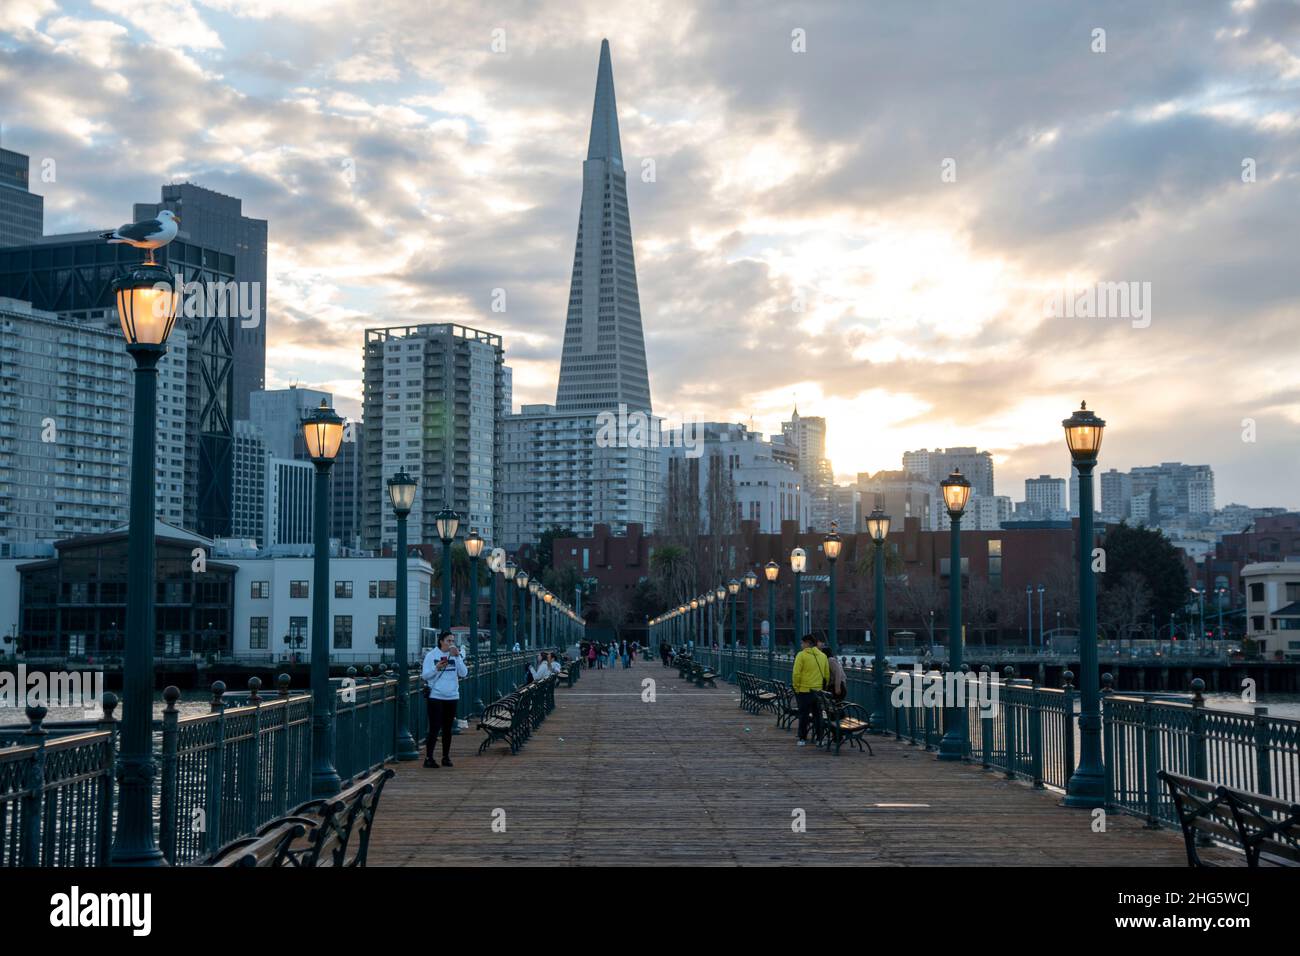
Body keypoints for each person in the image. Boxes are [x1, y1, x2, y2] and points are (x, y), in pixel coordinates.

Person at [421, 631, 468, 768]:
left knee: (448, 728)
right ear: (441, 641)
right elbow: (425, 676)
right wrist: (436, 668)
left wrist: (458, 657)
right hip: (436, 696)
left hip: (452, 696)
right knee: (434, 727)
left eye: (452, 641)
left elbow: (464, 673)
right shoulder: (431, 655)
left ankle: (445, 757)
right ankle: (429, 758)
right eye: (448, 641)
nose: (451, 644)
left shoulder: (455, 656)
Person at [791, 634, 829, 747]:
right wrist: (822, 688)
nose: (801, 645)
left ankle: (802, 738)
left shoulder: (801, 655)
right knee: (818, 716)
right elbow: (826, 675)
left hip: (804, 690)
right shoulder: (823, 656)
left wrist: (796, 687)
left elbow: (796, 673)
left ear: (808, 643)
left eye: (802, 643)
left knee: (804, 715)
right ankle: (819, 738)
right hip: (818, 692)